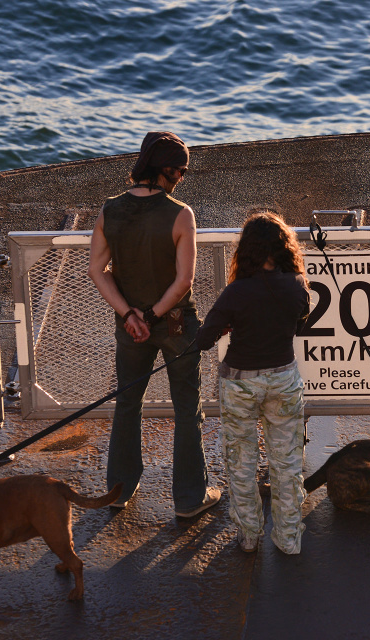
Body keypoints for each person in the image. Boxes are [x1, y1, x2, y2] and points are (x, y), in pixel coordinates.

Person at [88, 131, 220, 518]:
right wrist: (153, 315)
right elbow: (183, 282)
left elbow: (97, 270)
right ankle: (189, 498)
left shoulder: (110, 210)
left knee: (127, 402)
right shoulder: (181, 214)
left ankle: (119, 489)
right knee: (186, 408)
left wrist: (130, 315)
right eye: (180, 170)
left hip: (129, 327)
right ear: (165, 170)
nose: (182, 177)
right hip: (176, 323)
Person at [195, 212, 311, 554]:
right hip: (284, 379)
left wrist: (229, 326)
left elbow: (203, 340)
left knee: (241, 461)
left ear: (246, 250)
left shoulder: (236, 292)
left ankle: (249, 536)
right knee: (287, 464)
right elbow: (296, 325)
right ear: (284, 248)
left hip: (240, 384)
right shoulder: (297, 286)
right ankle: (289, 539)